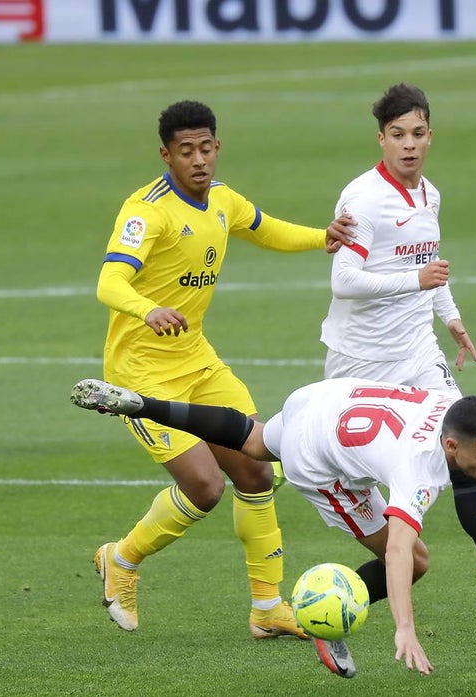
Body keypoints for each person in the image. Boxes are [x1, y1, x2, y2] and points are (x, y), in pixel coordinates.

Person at [89, 99, 354, 636]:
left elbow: (265, 228)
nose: (199, 159)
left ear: (217, 147)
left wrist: (320, 238)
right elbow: (109, 283)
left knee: (257, 471)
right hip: (140, 376)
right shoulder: (147, 211)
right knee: (206, 488)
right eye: (186, 150)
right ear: (166, 154)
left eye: (206, 147)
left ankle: (267, 609)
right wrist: (148, 308)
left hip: (199, 365)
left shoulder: (222, 201)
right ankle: (121, 560)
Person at [70, 376, 476, 678]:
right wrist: (404, 626)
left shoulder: (453, 409)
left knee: (252, 440)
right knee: (416, 561)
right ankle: (327, 625)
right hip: (317, 461)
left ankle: (141, 404)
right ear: (449, 444)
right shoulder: (418, 468)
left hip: (321, 399)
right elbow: (401, 551)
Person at [320, 83, 476, 617]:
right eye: (397, 135)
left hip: (419, 352)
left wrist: (451, 317)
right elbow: (344, 280)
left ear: (430, 136)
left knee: (471, 445)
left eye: (418, 134)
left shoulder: (430, 195)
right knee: (343, 471)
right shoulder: (363, 199)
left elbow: (431, 262)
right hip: (360, 361)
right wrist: (413, 280)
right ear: (381, 139)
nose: (409, 145)